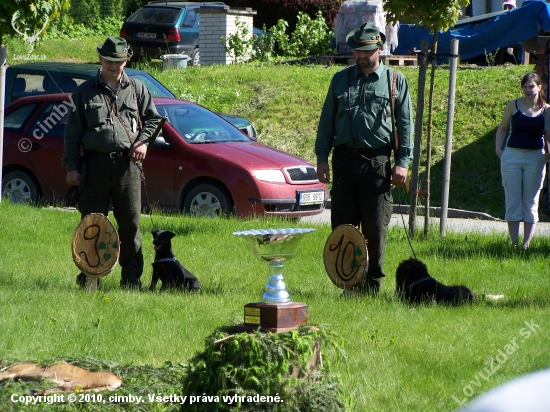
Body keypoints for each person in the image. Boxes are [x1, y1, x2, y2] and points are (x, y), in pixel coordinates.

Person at [315, 23, 413, 295]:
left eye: (367, 51)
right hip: (344, 161)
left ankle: (372, 283)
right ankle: (349, 282)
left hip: (377, 162)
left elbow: (405, 127)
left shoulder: (395, 81)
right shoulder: (340, 79)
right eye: (357, 50)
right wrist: (322, 158)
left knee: (375, 227)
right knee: (343, 225)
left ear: (379, 49)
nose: (361, 56)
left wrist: (402, 162)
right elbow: (326, 123)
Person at [62, 36, 162, 289]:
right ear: (100, 59)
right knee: (92, 224)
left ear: (126, 60)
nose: (114, 66)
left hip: (127, 167)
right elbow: (72, 134)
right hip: (94, 167)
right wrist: (72, 168)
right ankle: (90, 278)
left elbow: (153, 120)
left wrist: (142, 143)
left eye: (119, 61)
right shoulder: (83, 92)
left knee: (130, 225)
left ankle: (131, 281)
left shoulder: (138, 89)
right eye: (109, 60)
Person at [495, 72, 550, 249]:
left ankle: (526, 245)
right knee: (513, 201)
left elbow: (549, 136)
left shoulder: (547, 110)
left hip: (535, 157)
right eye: (525, 86)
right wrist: (499, 149)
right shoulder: (514, 105)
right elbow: (502, 128)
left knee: (531, 201)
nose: (527, 89)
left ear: (539, 87)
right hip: (512, 156)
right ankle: (513, 244)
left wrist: (547, 154)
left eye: (531, 86)